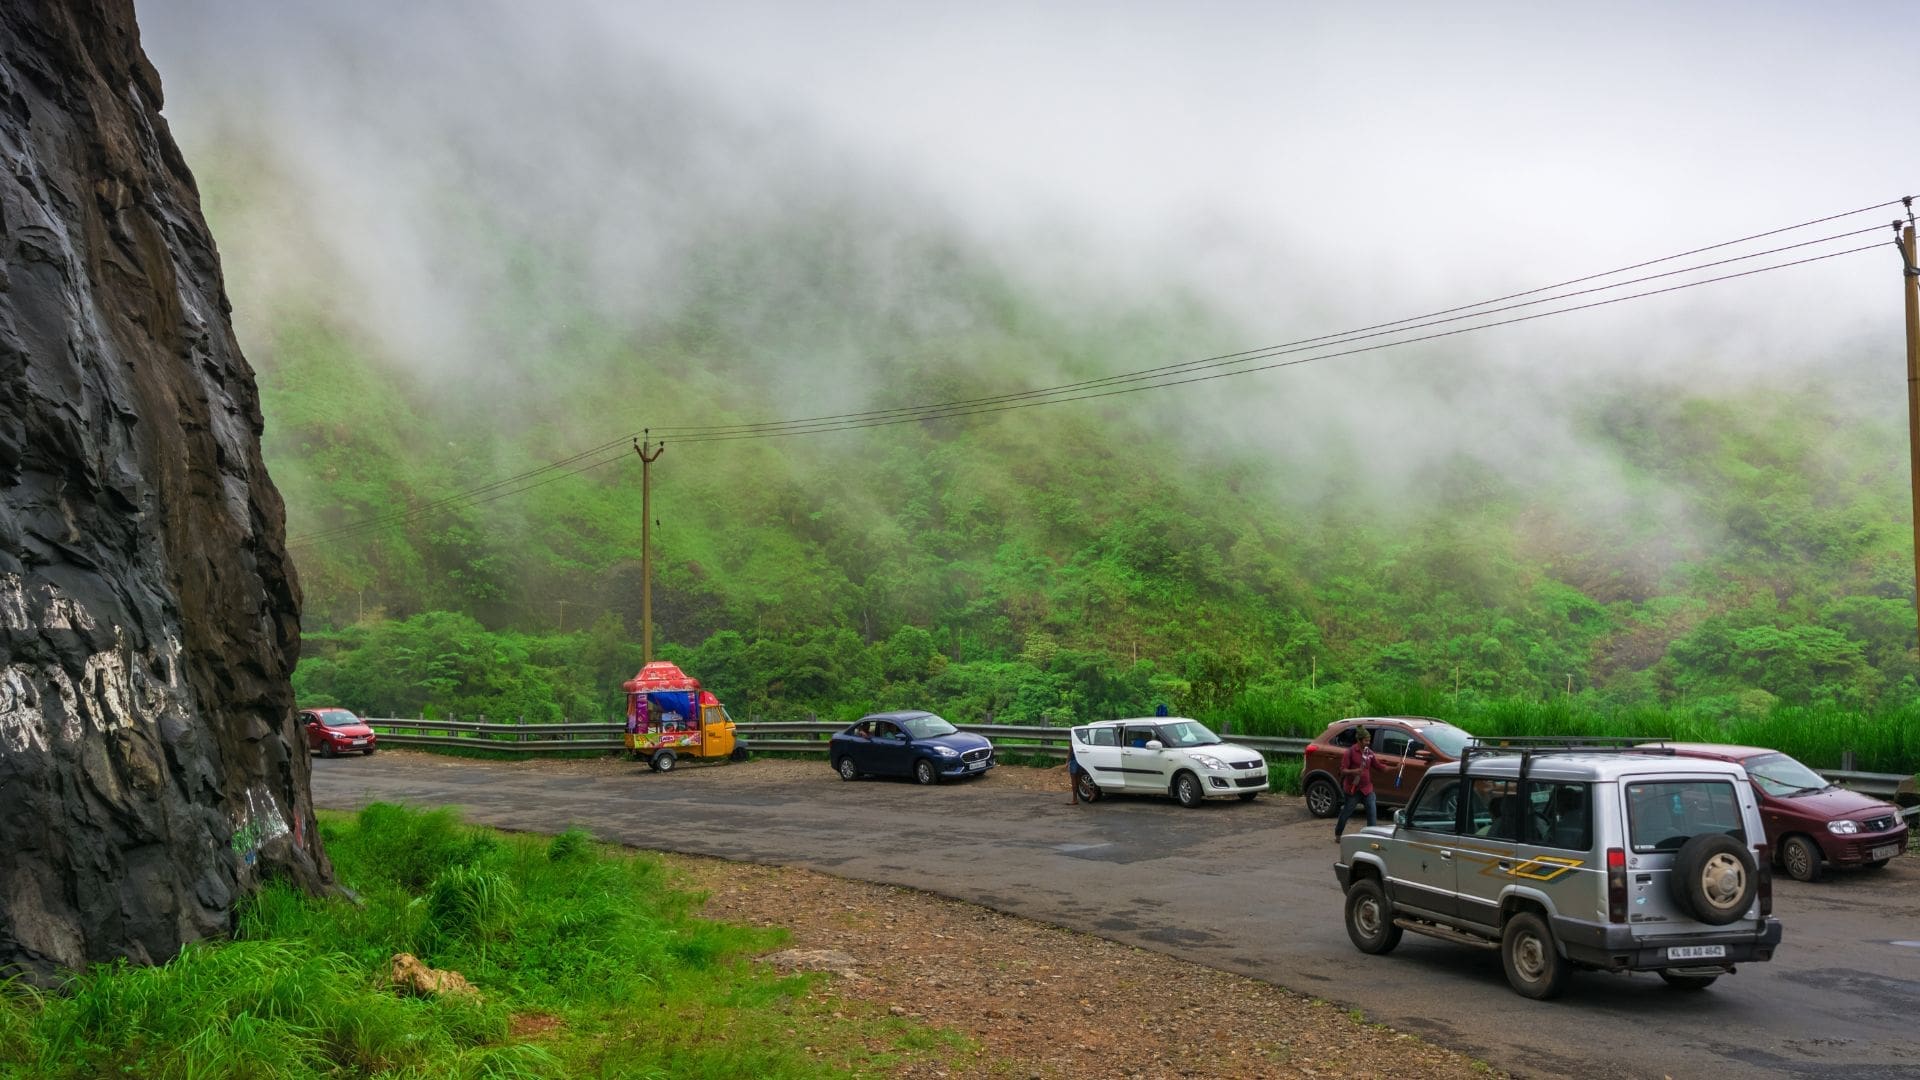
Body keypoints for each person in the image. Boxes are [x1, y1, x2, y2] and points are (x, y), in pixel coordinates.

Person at [1334, 728, 1378, 840]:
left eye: (1369, 740)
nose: (1368, 743)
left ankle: (1371, 837)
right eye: (1366, 740)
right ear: (1359, 740)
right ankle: (1338, 834)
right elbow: (1343, 770)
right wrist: (1355, 771)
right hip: (1352, 790)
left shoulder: (1369, 753)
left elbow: (1379, 766)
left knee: (1372, 813)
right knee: (1346, 813)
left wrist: (1394, 768)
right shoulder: (1350, 752)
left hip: (1367, 789)